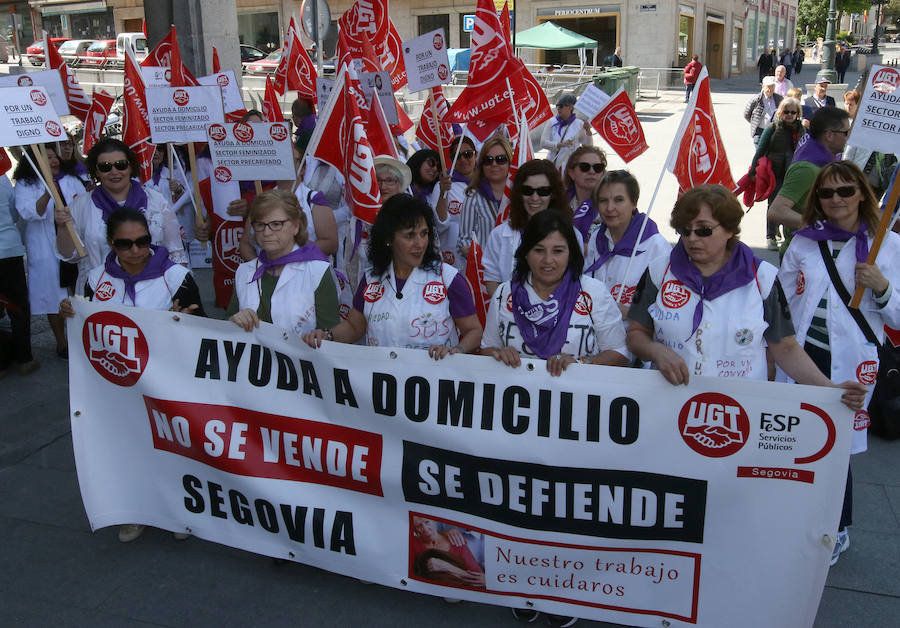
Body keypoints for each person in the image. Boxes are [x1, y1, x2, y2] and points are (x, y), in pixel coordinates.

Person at [625, 185, 866, 411]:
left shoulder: (763, 277)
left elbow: (785, 347)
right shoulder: (659, 271)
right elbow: (636, 334)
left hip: (738, 413)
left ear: (729, 230)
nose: (692, 238)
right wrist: (656, 350)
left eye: (704, 230)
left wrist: (829, 389)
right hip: (669, 405)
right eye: (684, 230)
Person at [778, 161, 900, 565]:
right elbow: (782, 301)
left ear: (862, 193)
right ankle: (794, 515)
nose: (836, 200)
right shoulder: (804, 242)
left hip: (851, 359)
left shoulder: (888, 247)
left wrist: (882, 289)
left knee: (835, 445)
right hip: (802, 354)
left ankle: (838, 526)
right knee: (793, 438)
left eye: (845, 191)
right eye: (827, 193)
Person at [59, 207, 203, 542]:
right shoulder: (95, 279)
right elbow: (85, 331)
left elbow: (202, 328)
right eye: (125, 244)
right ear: (111, 243)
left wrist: (183, 320)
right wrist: (71, 312)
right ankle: (135, 510)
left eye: (142, 241)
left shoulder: (177, 276)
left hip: (166, 383)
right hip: (118, 384)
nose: (136, 250)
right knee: (126, 446)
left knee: (171, 446)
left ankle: (178, 511)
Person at [303, 194, 482, 356]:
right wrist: (328, 335)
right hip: (384, 386)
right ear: (388, 239)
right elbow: (354, 327)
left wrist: (456, 351)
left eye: (424, 233)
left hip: (433, 385)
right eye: (409, 236)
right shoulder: (371, 279)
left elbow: (473, 331)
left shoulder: (448, 278)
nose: (420, 244)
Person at [482, 208, 628, 375]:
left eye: (558, 251)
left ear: (571, 253)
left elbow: (620, 352)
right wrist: (498, 354)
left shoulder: (593, 293)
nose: (548, 260)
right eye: (538, 250)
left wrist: (583, 363)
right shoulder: (504, 293)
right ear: (525, 253)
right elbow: (487, 348)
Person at [54, 138, 185, 295]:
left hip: (151, 292)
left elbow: (176, 254)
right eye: (105, 167)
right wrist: (62, 226)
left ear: (130, 166)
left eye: (121, 165)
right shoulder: (80, 205)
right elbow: (68, 255)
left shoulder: (156, 201)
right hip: (100, 293)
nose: (114, 172)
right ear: (95, 171)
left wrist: (181, 294)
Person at [229, 190, 339, 337]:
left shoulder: (317, 271)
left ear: (296, 226)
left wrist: (320, 336)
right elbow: (226, 328)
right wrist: (233, 321)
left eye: (276, 224)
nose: (267, 233)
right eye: (260, 225)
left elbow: (332, 336)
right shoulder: (244, 271)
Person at [13, 145, 86, 358]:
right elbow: (28, 212)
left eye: (55, 157)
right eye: (48, 158)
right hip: (45, 249)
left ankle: (80, 337)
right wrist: (47, 192)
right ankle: (61, 342)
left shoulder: (71, 179)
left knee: (78, 292)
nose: (54, 161)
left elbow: (83, 206)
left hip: (73, 246)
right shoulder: (26, 184)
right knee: (53, 297)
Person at [583, 170, 670, 315]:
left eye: (619, 200)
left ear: (634, 203)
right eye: (603, 200)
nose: (610, 208)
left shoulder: (656, 246)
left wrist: (633, 313)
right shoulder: (597, 237)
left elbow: (669, 307)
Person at [482, 159, 571, 295]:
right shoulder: (499, 235)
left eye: (543, 191)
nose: (534, 198)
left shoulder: (571, 235)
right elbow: (492, 279)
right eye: (527, 190)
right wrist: (507, 310)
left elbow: (574, 279)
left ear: (553, 194)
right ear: (519, 193)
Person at [768, 107, 851, 250]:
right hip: (800, 253)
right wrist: (819, 225)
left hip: (817, 248)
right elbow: (776, 211)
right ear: (829, 135)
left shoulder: (824, 159)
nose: (849, 137)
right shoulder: (807, 168)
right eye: (846, 133)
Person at [749, 97, 806, 250]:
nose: (789, 115)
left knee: (791, 206)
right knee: (774, 204)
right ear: (781, 112)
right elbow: (760, 150)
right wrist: (753, 171)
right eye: (786, 112)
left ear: (798, 113)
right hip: (773, 173)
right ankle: (771, 236)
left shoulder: (801, 130)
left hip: (793, 174)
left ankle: (787, 234)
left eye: (793, 112)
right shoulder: (772, 128)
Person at [0, 175, 39, 377]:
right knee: (18, 306)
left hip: (9, 249)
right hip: (9, 249)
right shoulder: (3, 177)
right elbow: (15, 214)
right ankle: (25, 358)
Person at [457, 135, 511, 260]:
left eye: (501, 159)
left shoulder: (521, 195)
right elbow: (464, 240)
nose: (494, 164)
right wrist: (481, 259)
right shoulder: (473, 197)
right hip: (486, 273)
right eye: (488, 160)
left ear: (510, 162)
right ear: (481, 165)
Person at [435, 135, 477, 269]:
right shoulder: (444, 185)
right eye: (457, 157)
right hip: (454, 258)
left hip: (482, 254)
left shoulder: (488, 182)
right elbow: (439, 224)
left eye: (468, 154)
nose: (463, 159)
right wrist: (442, 193)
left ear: (475, 155)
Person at [410, 516, 484, 588]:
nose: (426, 529)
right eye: (419, 526)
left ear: (434, 521)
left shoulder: (456, 541)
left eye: (427, 522)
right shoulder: (412, 543)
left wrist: (446, 567)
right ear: (415, 530)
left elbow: (479, 580)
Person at [144, 145, 192, 243]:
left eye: (160, 149)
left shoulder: (171, 174)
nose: (156, 153)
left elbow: (182, 201)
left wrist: (178, 190)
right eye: (153, 149)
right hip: (145, 228)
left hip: (168, 229)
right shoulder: (137, 177)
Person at [563, 146, 607, 242]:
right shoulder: (559, 204)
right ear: (571, 173)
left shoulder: (610, 205)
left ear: (603, 173)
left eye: (597, 168)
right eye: (585, 167)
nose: (592, 172)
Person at [541, 93, 593, 170]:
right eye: (557, 106)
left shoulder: (579, 124)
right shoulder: (552, 122)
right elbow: (543, 143)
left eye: (561, 106)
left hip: (571, 166)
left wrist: (588, 131)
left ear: (570, 107)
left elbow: (588, 147)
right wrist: (561, 145)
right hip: (553, 165)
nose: (558, 108)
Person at [744, 76, 783, 146]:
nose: (770, 89)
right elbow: (746, 114)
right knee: (760, 155)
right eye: (768, 87)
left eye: (772, 86)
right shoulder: (756, 99)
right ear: (763, 87)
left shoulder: (779, 99)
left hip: (773, 132)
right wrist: (755, 122)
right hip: (759, 132)